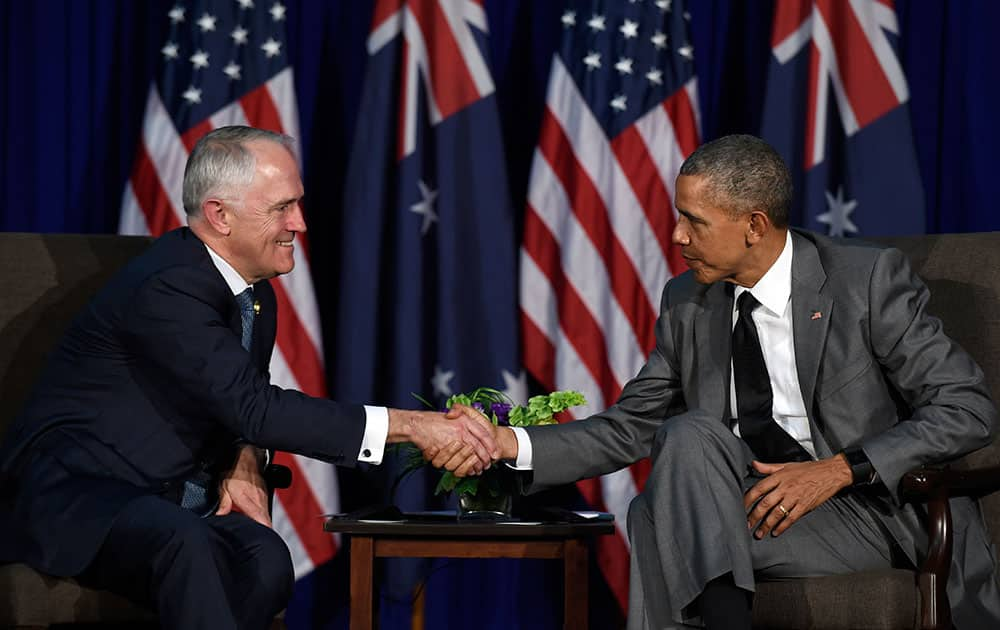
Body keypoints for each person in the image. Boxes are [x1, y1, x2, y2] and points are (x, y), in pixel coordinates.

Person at [460, 135, 1000, 629]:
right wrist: (507, 443)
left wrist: (835, 471)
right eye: (677, 217)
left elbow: (967, 409)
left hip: (869, 512)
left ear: (754, 225)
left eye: (693, 221)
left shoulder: (866, 281)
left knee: (654, 516)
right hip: (754, 509)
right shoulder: (686, 302)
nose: (676, 236)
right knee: (686, 439)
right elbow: (629, 428)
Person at [0, 126, 498, 630]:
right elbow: (256, 407)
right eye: (282, 207)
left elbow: (230, 402)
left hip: (166, 496)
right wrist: (413, 426)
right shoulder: (170, 288)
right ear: (220, 215)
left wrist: (244, 457)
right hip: (82, 495)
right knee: (185, 545)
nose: (299, 223)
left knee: (265, 558)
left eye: (298, 204)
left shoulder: (252, 293)